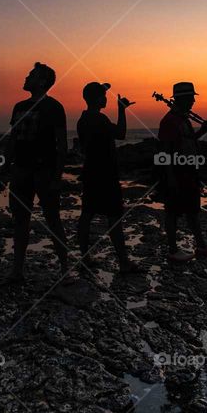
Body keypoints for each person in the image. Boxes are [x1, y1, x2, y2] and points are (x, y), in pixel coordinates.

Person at [3, 62, 70, 283]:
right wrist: (5, 169)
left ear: (41, 81)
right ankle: (17, 271)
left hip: (45, 171)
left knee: (53, 220)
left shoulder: (54, 108)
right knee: (20, 220)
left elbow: (62, 144)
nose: (26, 77)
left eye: (31, 74)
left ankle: (65, 269)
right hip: (20, 170)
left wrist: (57, 177)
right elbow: (13, 139)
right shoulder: (18, 106)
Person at [76, 82, 140, 273]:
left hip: (90, 173)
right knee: (114, 217)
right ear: (97, 98)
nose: (106, 98)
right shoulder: (100, 119)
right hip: (105, 175)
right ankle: (123, 262)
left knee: (87, 215)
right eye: (104, 95)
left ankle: (85, 257)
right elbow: (121, 134)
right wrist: (122, 110)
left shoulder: (82, 120)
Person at [157, 82, 207, 263]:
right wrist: (170, 179)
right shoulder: (169, 122)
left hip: (189, 173)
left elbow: (187, 141)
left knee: (193, 211)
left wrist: (202, 131)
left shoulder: (183, 119)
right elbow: (165, 152)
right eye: (191, 97)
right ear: (182, 99)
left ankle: (202, 246)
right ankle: (173, 250)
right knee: (172, 212)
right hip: (177, 174)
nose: (194, 101)